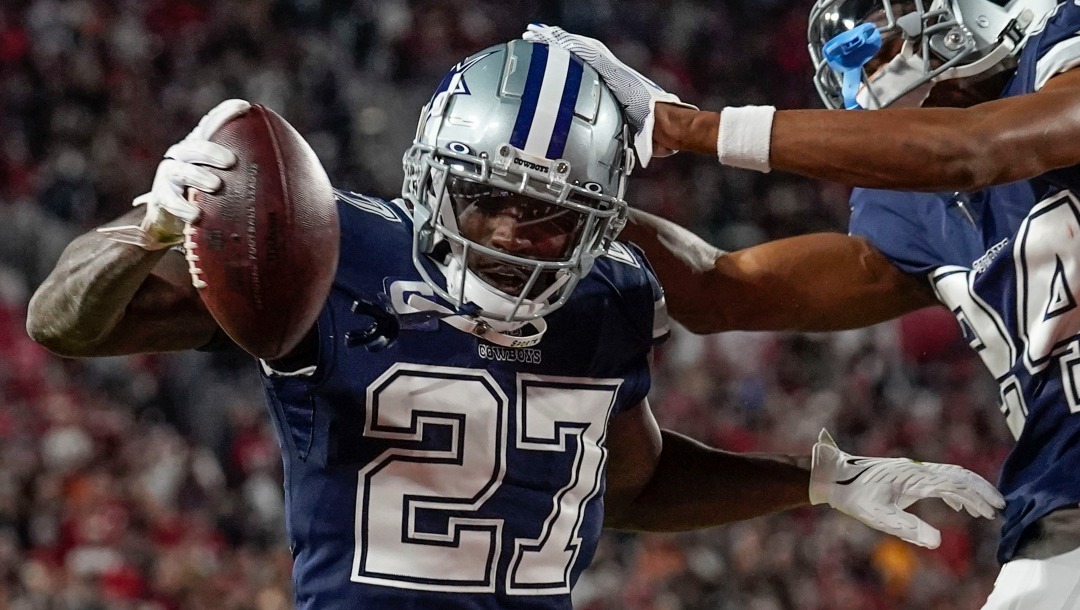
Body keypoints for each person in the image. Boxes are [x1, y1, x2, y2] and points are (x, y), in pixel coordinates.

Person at [25, 41, 1002, 609]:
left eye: (550, 214)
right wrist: (147, 229)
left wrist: (815, 481)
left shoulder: (611, 297)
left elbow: (629, 483)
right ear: (432, 177)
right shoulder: (331, 248)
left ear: (602, 218)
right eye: (487, 197)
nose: (510, 232)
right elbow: (65, 323)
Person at [522, 0, 1080, 605]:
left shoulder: (1060, 45)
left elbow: (977, 149)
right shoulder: (916, 208)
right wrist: (573, 204)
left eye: (877, 43)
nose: (865, 77)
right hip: (1061, 492)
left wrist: (691, 127)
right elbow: (723, 292)